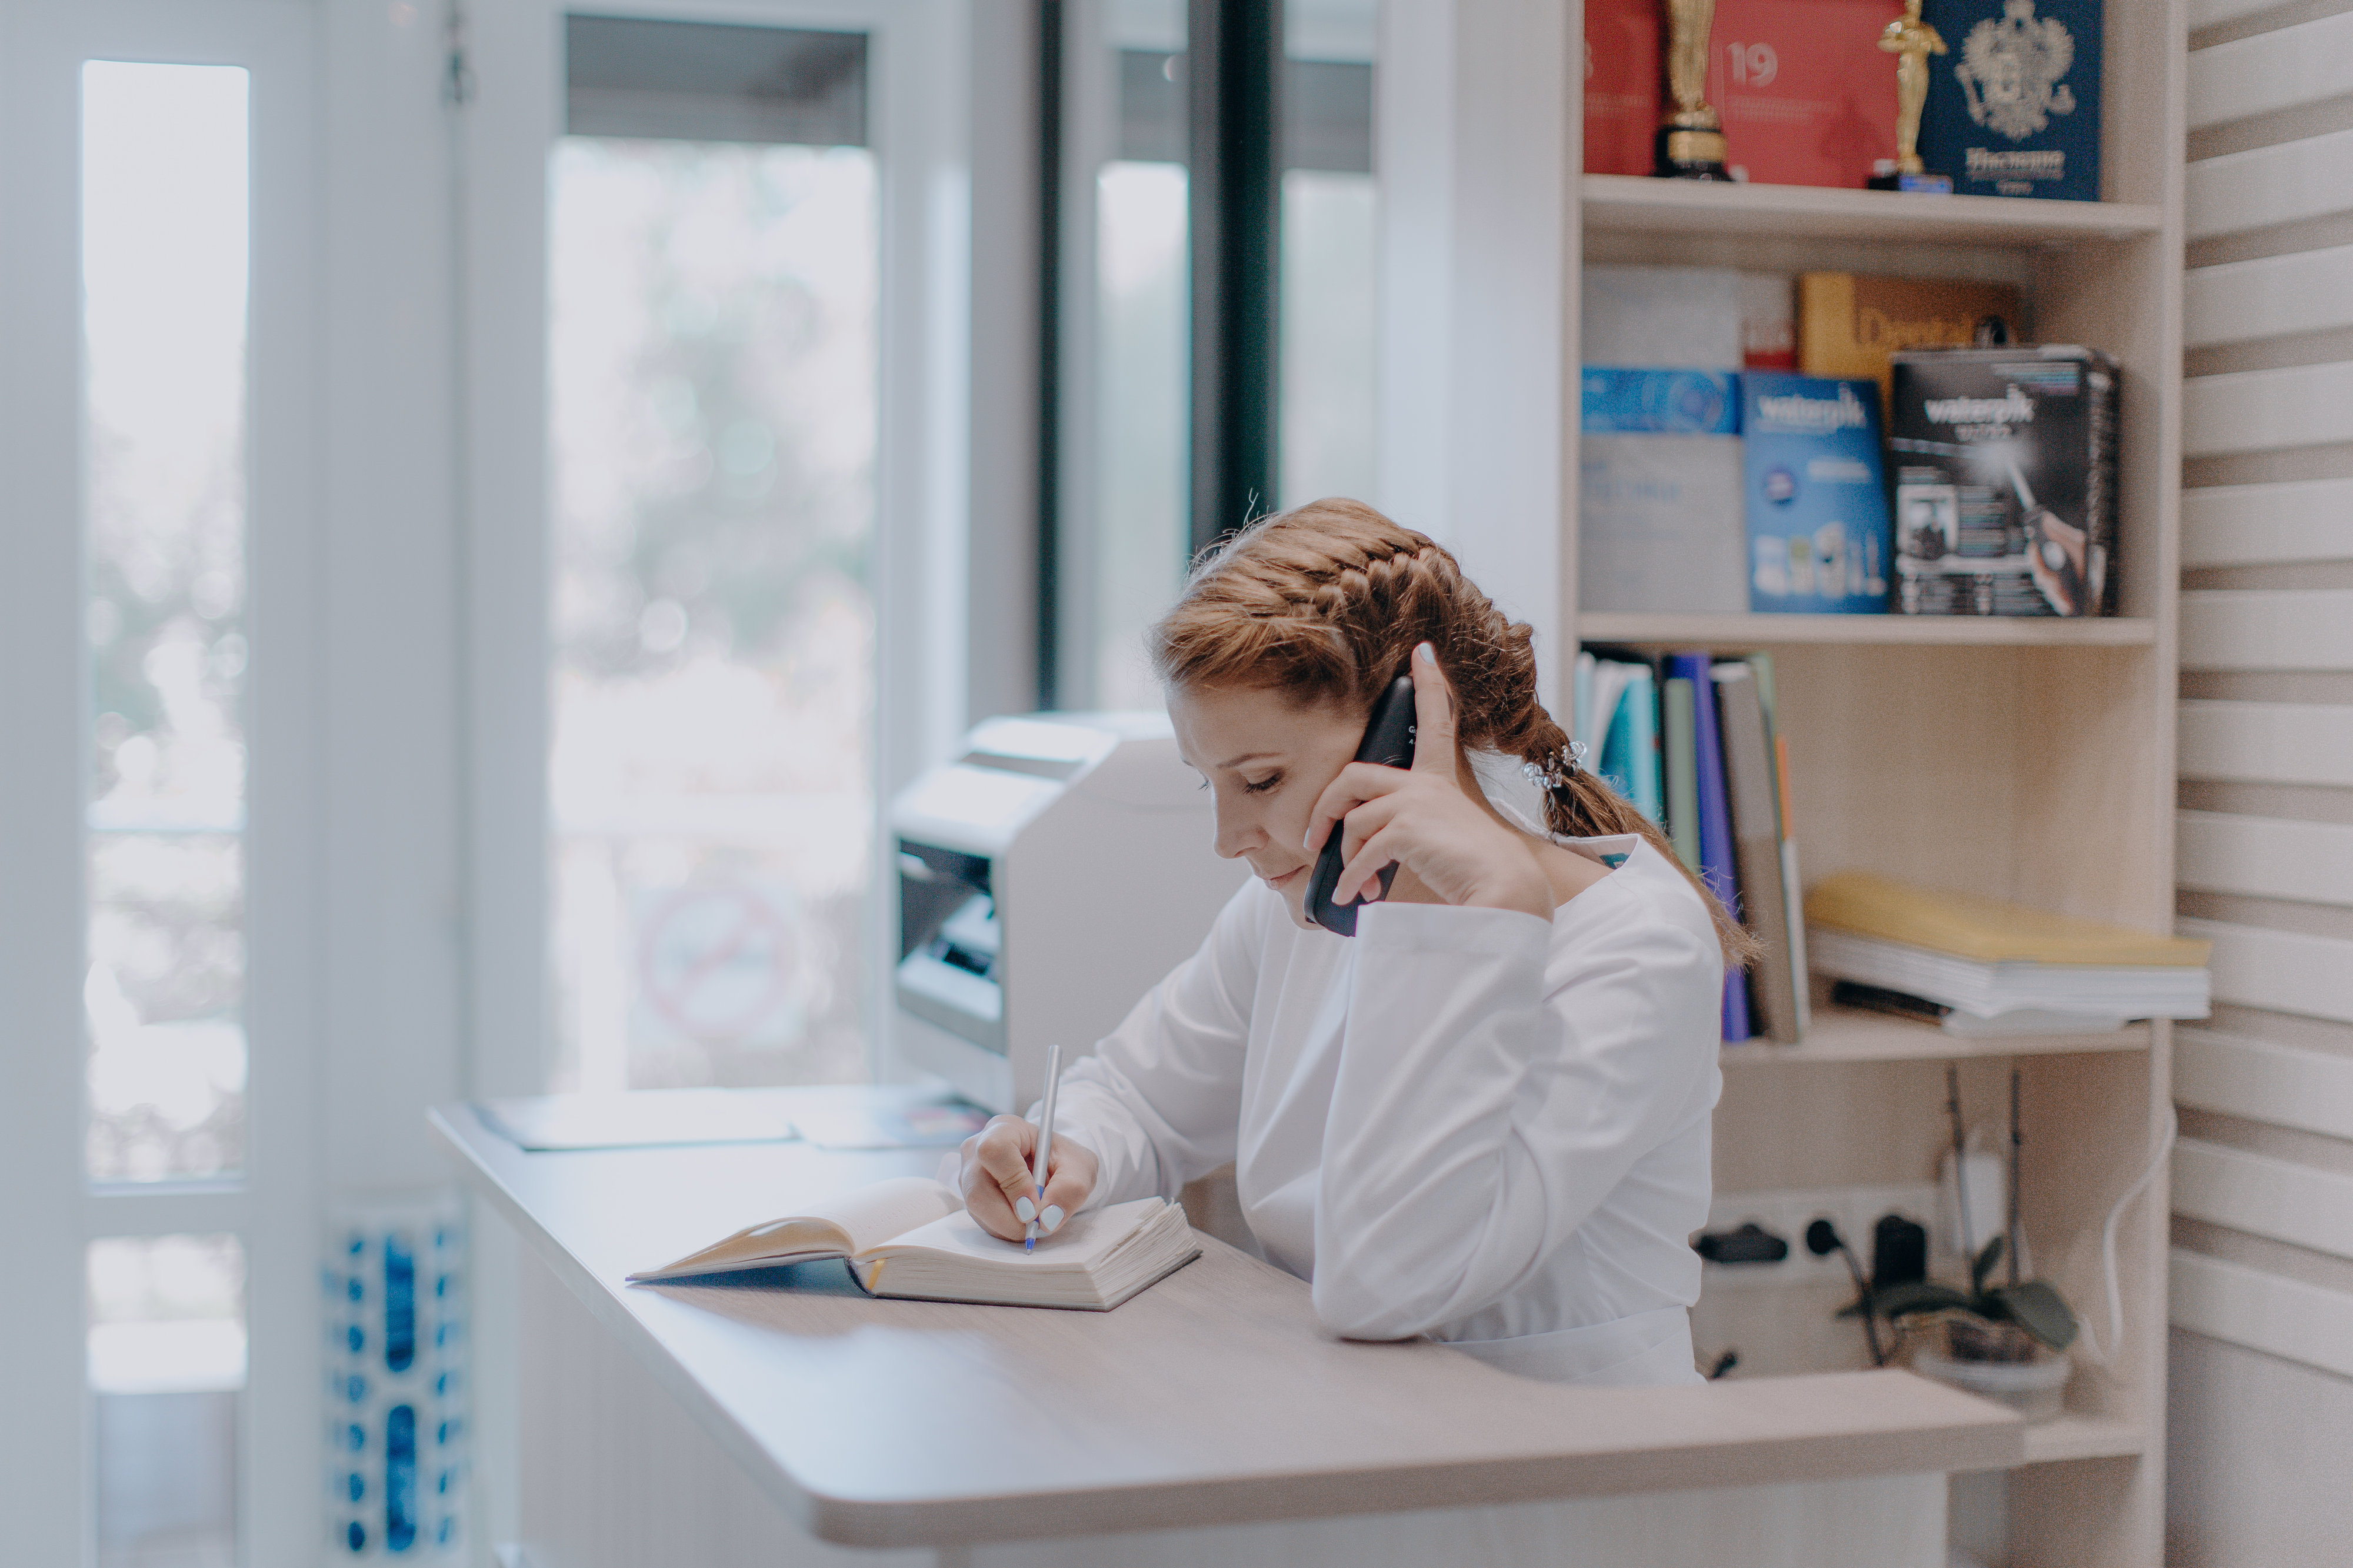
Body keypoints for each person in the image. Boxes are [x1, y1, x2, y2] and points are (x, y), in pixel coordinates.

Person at [952, 499, 1757, 1386]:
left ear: (1408, 736)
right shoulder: (1297, 909)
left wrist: (1490, 910)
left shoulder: (1636, 947)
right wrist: (1068, 1149)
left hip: (1566, 1466)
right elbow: (1139, 1099)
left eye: (1260, 780)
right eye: (1208, 785)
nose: (1229, 836)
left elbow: (1389, 1285)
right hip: (1355, 1421)